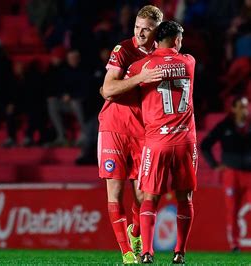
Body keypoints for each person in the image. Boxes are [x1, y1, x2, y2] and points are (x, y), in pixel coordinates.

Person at [127, 21, 196, 264]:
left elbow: (116, 87)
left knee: (149, 197)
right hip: (186, 141)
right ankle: (179, 253)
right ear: (176, 40)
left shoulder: (141, 67)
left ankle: (147, 252)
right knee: (184, 198)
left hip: (156, 142)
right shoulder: (189, 62)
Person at [97, 5, 163, 264]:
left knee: (144, 196)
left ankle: (135, 231)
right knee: (115, 191)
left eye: (146, 29)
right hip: (114, 126)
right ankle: (126, 253)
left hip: (144, 131)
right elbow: (108, 89)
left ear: (157, 29)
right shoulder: (123, 49)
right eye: (137, 27)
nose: (140, 33)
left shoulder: (163, 55)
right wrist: (140, 78)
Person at [200, 95, 250, 252]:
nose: (245, 110)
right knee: (232, 209)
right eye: (242, 106)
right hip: (231, 173)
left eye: (246, 106)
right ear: (234, 109)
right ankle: (234, 244)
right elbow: (205, 145)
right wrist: (214, 165)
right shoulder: (225, 125)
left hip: (249, 174)